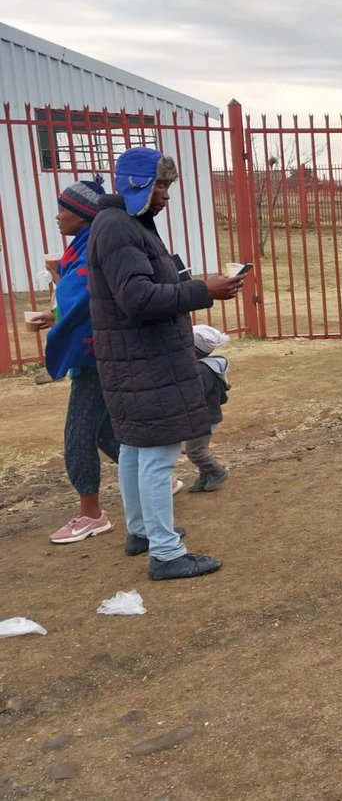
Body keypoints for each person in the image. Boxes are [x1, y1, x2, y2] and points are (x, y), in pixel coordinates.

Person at [89, 147, 243, 580]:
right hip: (145, 361)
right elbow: (137, 298)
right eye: (160, 186)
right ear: (137, 183)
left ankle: (142, 532)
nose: (166, 196)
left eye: (168, 187)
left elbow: (141, 286)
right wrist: (201, 290)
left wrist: (187, 283)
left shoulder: (125, 223)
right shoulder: (120, 227)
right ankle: (166, 553)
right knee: (157, 454)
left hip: (137, 359)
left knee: (136, 450)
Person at [28, 179, 121, 544]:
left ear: (82, 216)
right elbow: (78, 304)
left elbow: (86, 302)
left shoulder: (88, 253)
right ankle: (160, 478)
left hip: (94, 354)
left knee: (78, 434)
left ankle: (91, 514)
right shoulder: (78, 251)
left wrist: (61, 315)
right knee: (103, 430)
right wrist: (56, 318)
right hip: (93, 351)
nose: (57, 216)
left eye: (63, 209)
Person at [185, 325, 232, 492]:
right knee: (198, 449)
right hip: (205, 417)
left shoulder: (202, 371)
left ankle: (217, 472)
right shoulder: (206, 366)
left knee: (195, 451)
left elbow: (194, 396)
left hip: (203, 418)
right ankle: (205, 477)